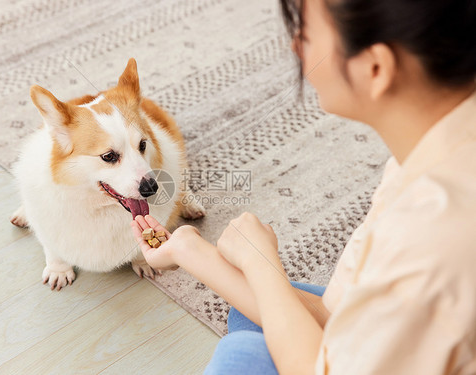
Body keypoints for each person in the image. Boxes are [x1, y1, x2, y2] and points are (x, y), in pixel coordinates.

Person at [130, 0, 476, 373]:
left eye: (306, 34)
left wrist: (261, 263)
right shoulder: (430, 155)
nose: (294, 47)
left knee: (240, 357)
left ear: (375, 67)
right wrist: (188, 249)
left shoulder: (435, 233)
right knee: (253, 313)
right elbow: (335, 315)